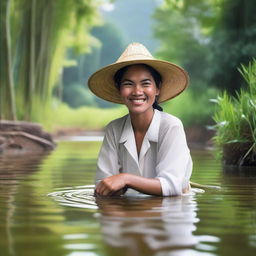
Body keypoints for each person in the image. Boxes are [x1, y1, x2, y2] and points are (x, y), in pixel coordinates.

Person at [88, 42, 192, 197]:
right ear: (119, 89)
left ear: (157, 88)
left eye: (145, 84)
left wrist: (126, 179)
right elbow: (103, 185)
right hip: (128, 215)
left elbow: (171, 187)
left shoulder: (171, 126)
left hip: (169, 215)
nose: (137, 91)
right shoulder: (114, 129)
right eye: (128, 84)